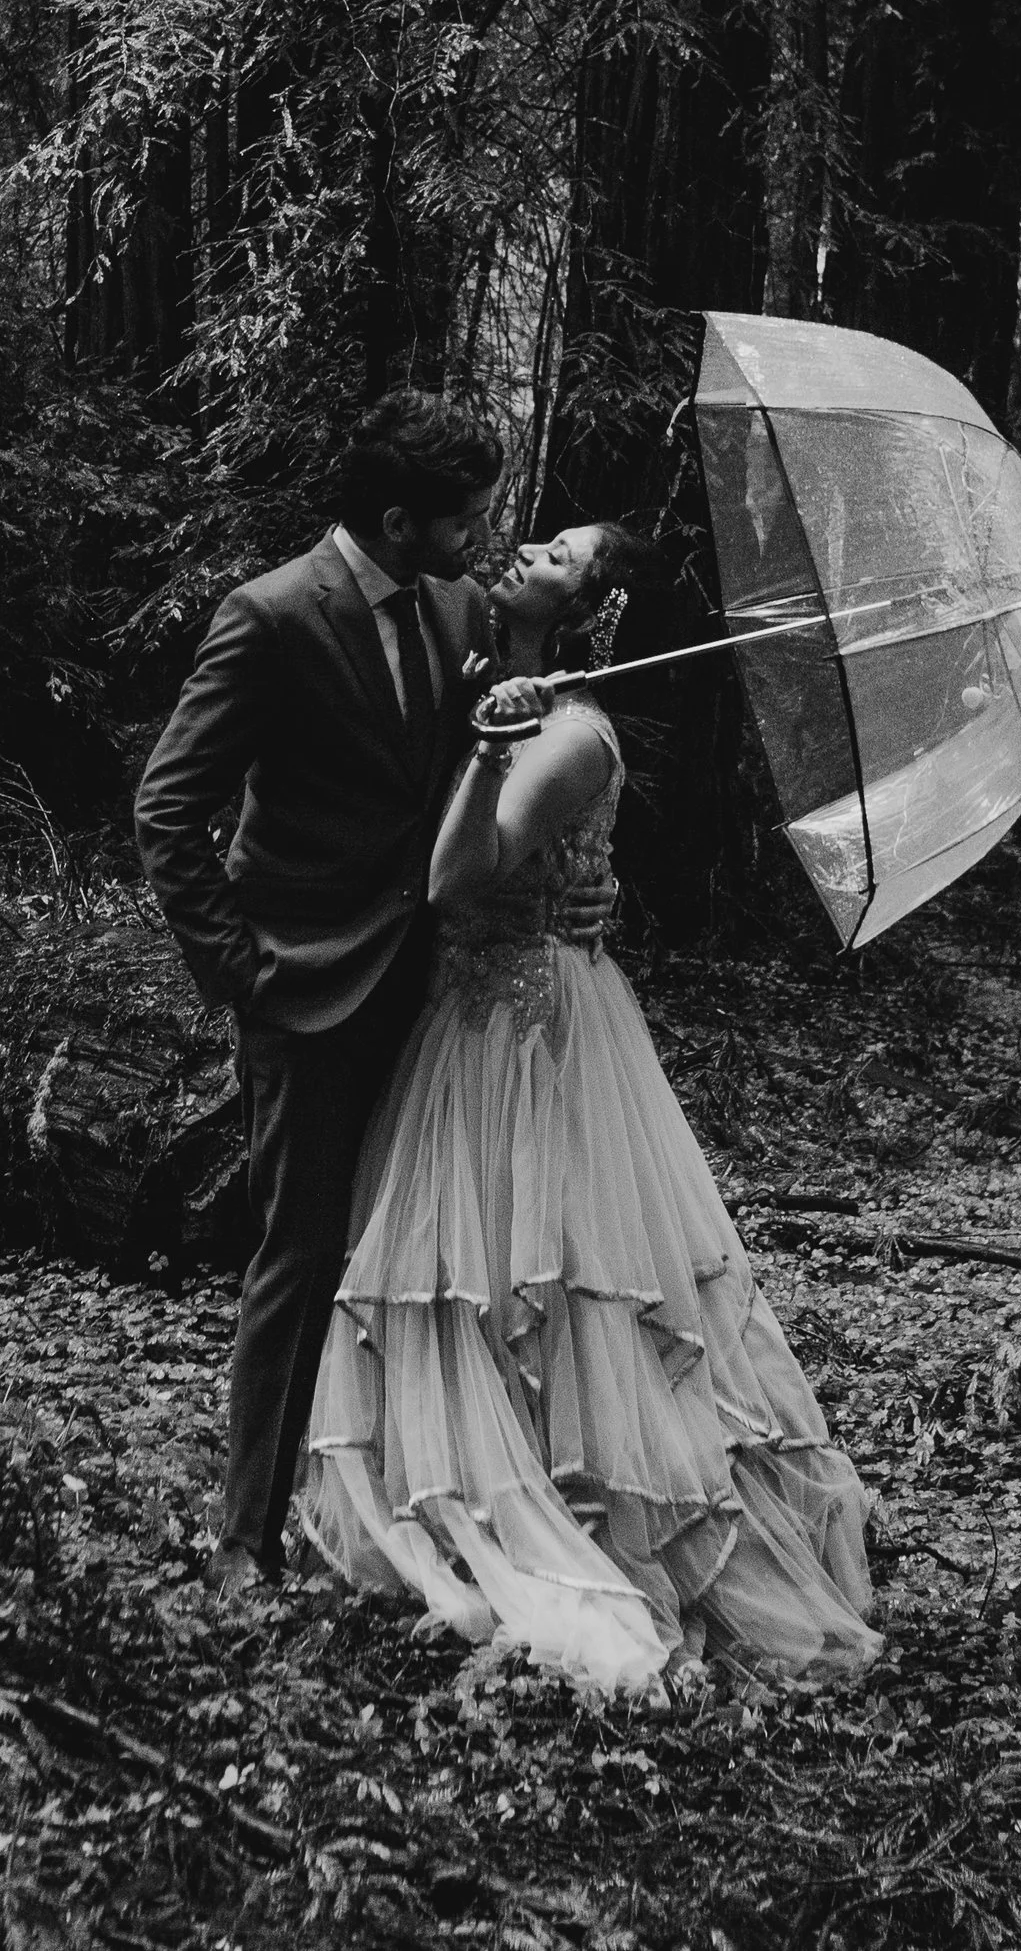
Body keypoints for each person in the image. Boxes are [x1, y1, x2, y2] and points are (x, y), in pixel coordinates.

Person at [298, 521, 879, 1695]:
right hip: (464, 1009)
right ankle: (464, 1465)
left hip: (527, 1030)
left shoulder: (569, 736)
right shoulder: (472, 658)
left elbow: (456, 877)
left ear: (591, 613)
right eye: (540, 536)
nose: (526, 549)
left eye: (559, 555)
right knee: (468, 1265)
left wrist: (487, 749)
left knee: (549, 1274)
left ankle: (569, 1498)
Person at [134, 394, 606, 1602]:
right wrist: (242, 974)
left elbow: (499, 782)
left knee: (431, 1252)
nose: (482, 538)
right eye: (464, 519)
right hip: (305, 989)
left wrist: (570, 882)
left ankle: (402, 1504)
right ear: (399, 522)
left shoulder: (461, 611)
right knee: (299, 1253)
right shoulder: (270, 616)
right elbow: (167, 809)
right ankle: (246, 1536)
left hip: (439, 987)